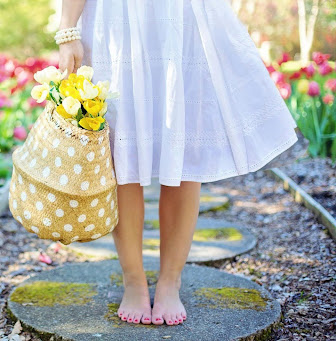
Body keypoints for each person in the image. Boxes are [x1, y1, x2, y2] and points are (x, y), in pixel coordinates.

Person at [56, 0, 299, 326]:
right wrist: (67, 29)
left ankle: (171, 280)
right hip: (115, 17)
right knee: (119, 147)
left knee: (185, 142)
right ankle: (134, 280)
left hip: (182, 17)